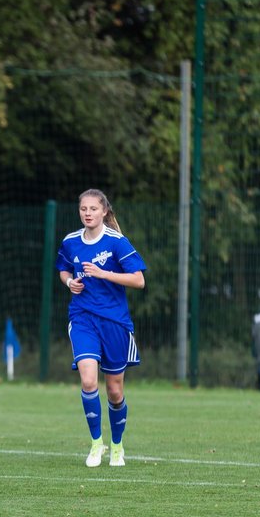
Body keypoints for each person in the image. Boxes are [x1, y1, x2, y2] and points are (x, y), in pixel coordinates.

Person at [56, 189, 148, 468]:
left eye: (93, 209)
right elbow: (63, 269)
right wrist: (69, 282)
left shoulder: (116, 242)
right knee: (87, 381)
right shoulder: (71, 242)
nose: (88, 213)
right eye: (83, 208)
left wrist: (104, 273)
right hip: (83, 318)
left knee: (115, 391)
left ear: (104, 211)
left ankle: (117, 446)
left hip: (114, 322)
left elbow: (139, 280)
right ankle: (97, 444)